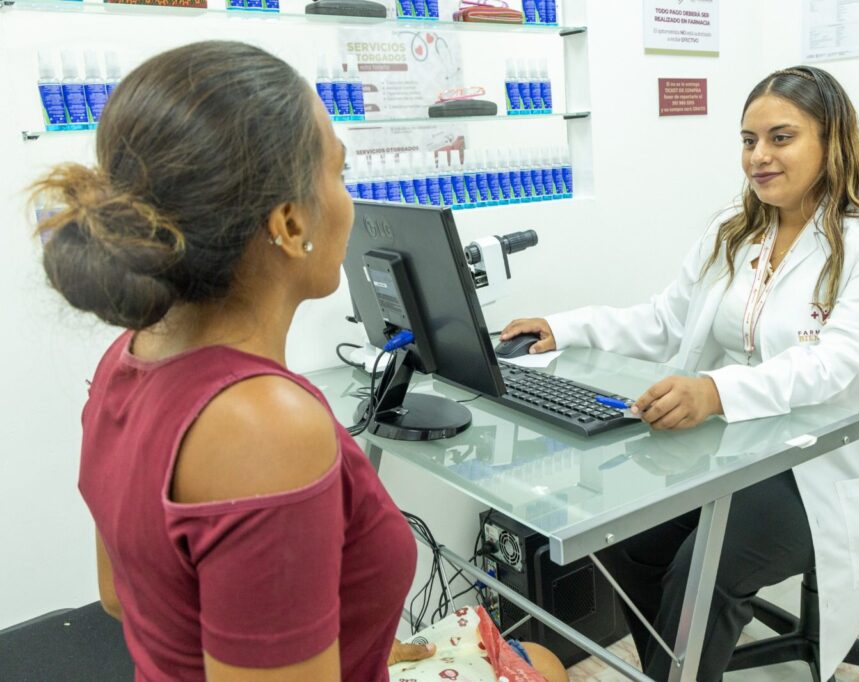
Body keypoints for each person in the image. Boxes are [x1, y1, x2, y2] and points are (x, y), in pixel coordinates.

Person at [32, 41, 565, 682]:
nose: (347, 199)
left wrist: (341, 641)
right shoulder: (264, 427)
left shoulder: (126, 358)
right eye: (338, 172)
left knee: (536, 658)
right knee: (544, 665)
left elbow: (122, 597)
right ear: (288, 224)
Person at [501, 65, 859, 681]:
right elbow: (666, 320)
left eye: (781, 138)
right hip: (745, 447)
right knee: (624, 537)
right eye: (748, 140)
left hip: (840, 464)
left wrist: (713, 391)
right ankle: (674, 671)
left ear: (832, 140)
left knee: (706, 572)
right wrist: (566, 327)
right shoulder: (736, 230)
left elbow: (833, 364)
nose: (758, 156)